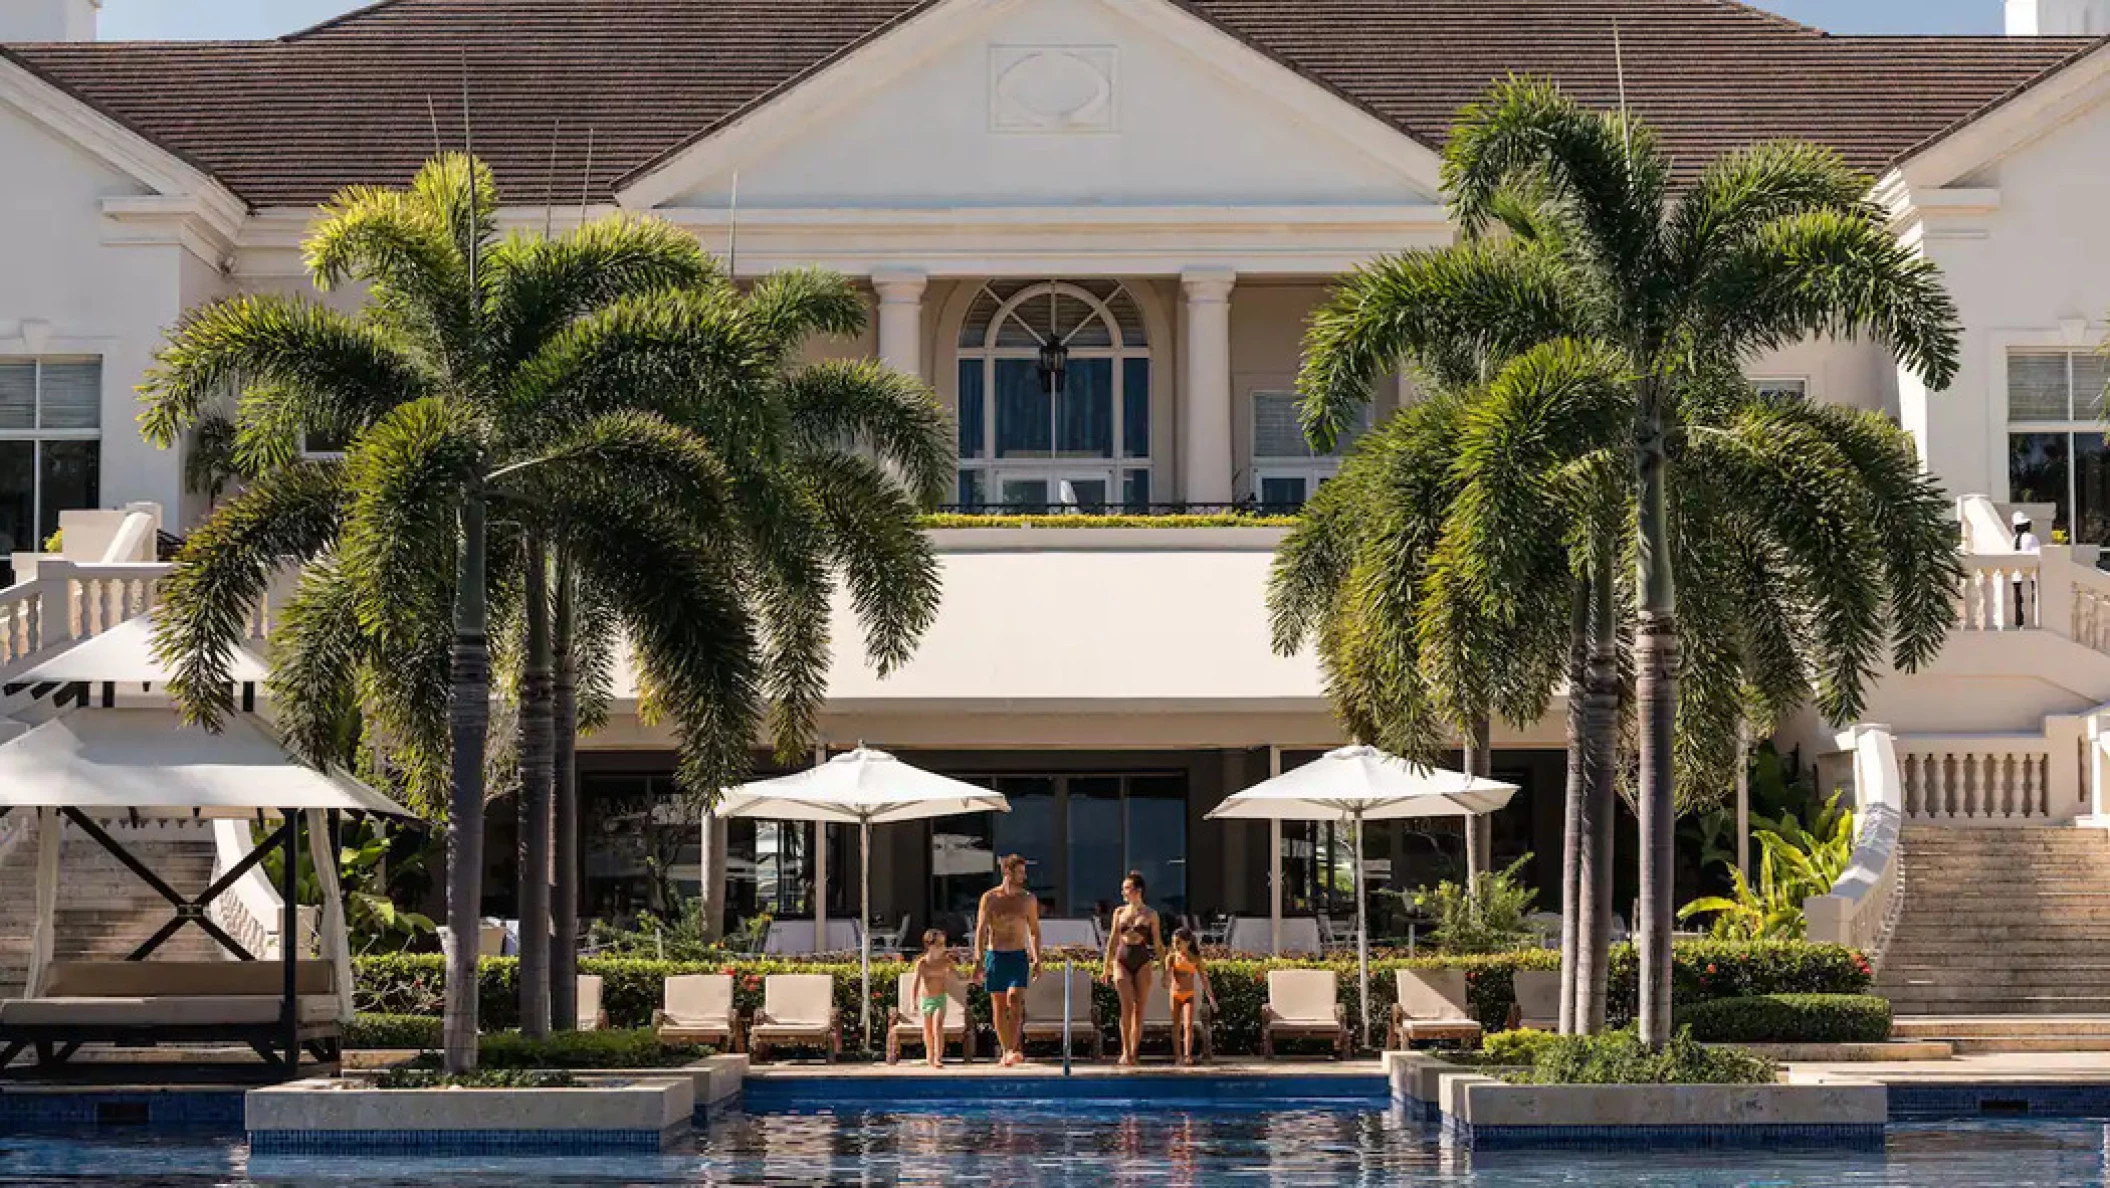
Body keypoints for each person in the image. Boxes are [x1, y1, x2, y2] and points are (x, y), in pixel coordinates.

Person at [973, 854, 1041, 1067]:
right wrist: (978, 960)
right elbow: (981, 930)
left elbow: (1035, 931)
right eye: (1020, 872)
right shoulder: (990, 898)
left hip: (1017, 954)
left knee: (1015, 999)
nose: (1024, 876)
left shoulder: (1027, 899)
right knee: (999, 1005)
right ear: (1007, 872)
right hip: (996, 955)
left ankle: (1012, 1047)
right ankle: (1006, 1050)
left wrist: (1037, 957)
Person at [1101, 870, 1163, 1066]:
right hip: (1122, 958)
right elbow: (1112, 940)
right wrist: (1106, 967)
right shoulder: (1119, 913)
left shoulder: (1151, 914)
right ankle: (1125, 1051)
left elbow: (1158, 943)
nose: (1123, 892)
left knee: (1139, 1008)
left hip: (1142, 958)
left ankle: (1134, 1051)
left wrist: (1166, 966)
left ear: (1138, 891)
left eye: (1126, 889)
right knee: (1126, 1006)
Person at [1165, 926, 1215, 1066]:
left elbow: (1204, 979)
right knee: (1175, 1026)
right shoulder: (1172, 957)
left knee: (1188, 1025)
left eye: (1178, 942)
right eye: (1174, 943)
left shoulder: (1195, 958)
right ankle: (1178, 1056)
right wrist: (1166, 977)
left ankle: (1187, 1055)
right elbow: (1167, 976)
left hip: (1189, 995)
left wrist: (1211, 997)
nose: (1175, 945)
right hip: (1175, 994)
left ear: (1187, 943)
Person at [911, 929, 958, 1069]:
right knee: (928, 1029)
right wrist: (913, 1003)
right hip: (926, 1000)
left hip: (940, 998)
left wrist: (973, 979)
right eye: (939, 944)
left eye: (944, 944)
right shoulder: (922, 963)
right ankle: (929, 1055)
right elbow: (916, 983)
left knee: (937, 1026)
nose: (943, 947)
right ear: (929, 946)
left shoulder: (946, 962)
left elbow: (958, 977)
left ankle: (938, 1057)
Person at [2013, 510, 2043, 629]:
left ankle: (2018, 623)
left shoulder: (2014, 539)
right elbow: (2038, 555)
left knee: (2017, 602)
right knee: (2028, 602)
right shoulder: (2031, 538)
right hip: (2028, 576)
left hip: (2015, 576)